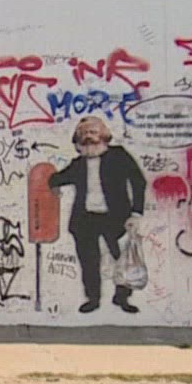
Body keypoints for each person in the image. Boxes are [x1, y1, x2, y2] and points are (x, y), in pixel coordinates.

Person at [47, 116, 147, 313]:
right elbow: (56, 179)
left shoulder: (118, 156)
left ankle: (122, 297)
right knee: (89, 261)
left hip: (115, 217)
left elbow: (138, 181)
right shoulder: (78, 164)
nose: (88, 137)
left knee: (122, 258)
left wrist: (136, 213)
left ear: (104, 135)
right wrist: (52, 186)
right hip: (85, 219)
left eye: (93, 132)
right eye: (84, 133)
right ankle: (93, 299)